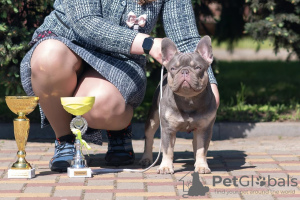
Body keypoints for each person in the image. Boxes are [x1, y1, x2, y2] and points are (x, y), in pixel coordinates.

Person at [20, 0, 220, 172]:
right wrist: (146, 43)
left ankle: (119, 129)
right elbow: (85, 22)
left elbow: (184, 37)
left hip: (121, 60)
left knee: (100, 105)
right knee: (47, 59)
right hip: (65, 40)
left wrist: (209, 84)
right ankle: (65, 140)